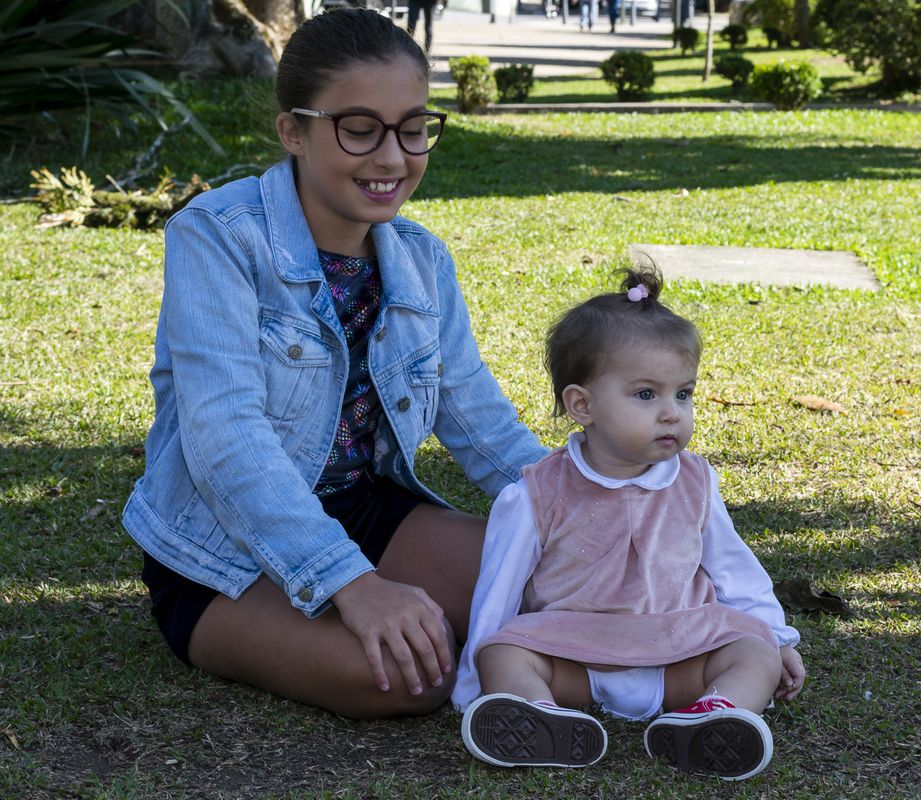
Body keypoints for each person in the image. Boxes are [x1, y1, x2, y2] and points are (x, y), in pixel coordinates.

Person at [122, 8, 546, 721]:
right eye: (359, 128)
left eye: (412, 128)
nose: (392, 157)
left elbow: (483, 426)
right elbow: (225, 438)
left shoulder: (421, 258)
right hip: (221, 551)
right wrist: (352, 583)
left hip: (364, 511)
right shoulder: (218, 236)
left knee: (570, 584)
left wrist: (606, 519)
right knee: (412, 675)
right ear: (294, 130)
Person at [453, 266, 805, 780]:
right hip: (570, 652)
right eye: (646, 395)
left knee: (753, 649)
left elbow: (735, 570)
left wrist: (779, 639)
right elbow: (497, 591)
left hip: (679, 650)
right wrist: (473, 684)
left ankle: (712, 714)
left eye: (683, 394)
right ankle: (540, 714)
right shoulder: (535, 492)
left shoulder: (696, 482)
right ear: (583, 405)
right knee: (504, 651)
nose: (672, 413)